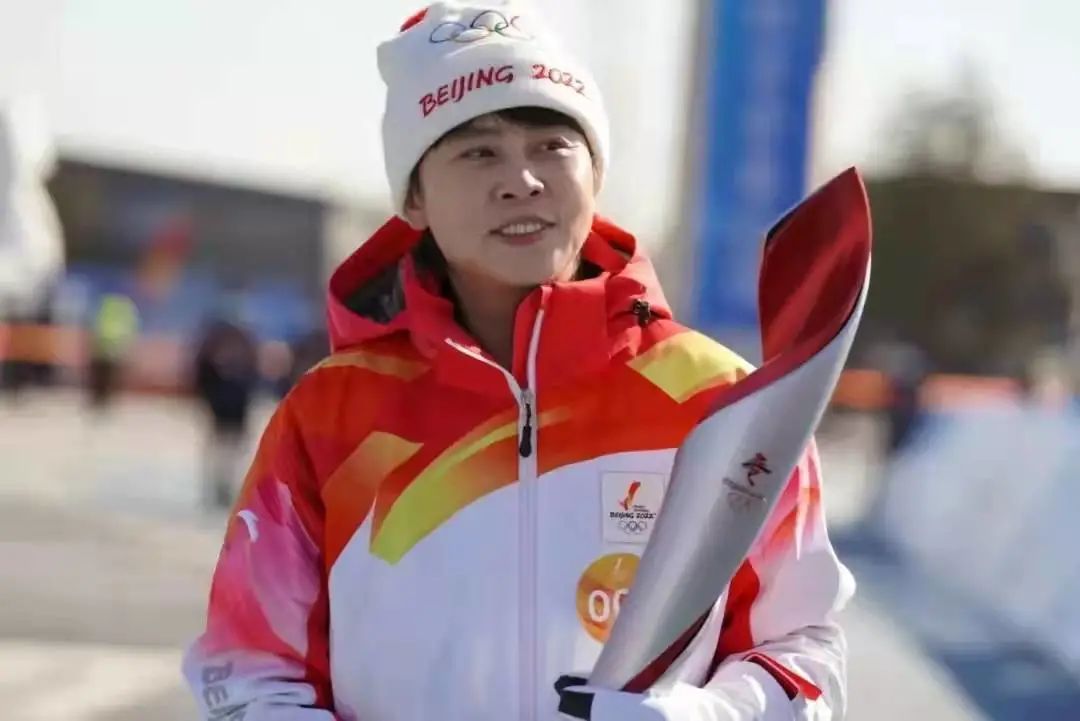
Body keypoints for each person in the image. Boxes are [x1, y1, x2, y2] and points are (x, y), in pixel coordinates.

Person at [183, 3, 855, 719]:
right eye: (478, 153)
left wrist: (703, 717)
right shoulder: (332, 415)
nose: (522, 180)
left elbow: (803, 650)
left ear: (595, 173)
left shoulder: (721, 402)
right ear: (414, 198)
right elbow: (249, 665)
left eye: (552, 145)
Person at [192, 308, 260, 508]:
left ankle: (225, 487)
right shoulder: (214, 350)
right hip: (222, 407)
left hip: (236, 408)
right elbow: (201, 378)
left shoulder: (245, 348)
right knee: (221, 449)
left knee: (232, 449)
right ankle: (218, 487)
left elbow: (253, 377)